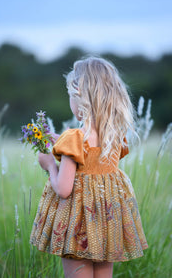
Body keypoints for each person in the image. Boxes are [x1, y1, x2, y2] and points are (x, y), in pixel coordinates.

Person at [30, 56, 148, 278]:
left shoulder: (74, 138)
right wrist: (60, 141)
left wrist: (49, 166)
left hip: (78, 227)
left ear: (80, 98)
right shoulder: (115, 136)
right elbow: (94, 163)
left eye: (70, 96)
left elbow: (64, 189)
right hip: (106, 224)